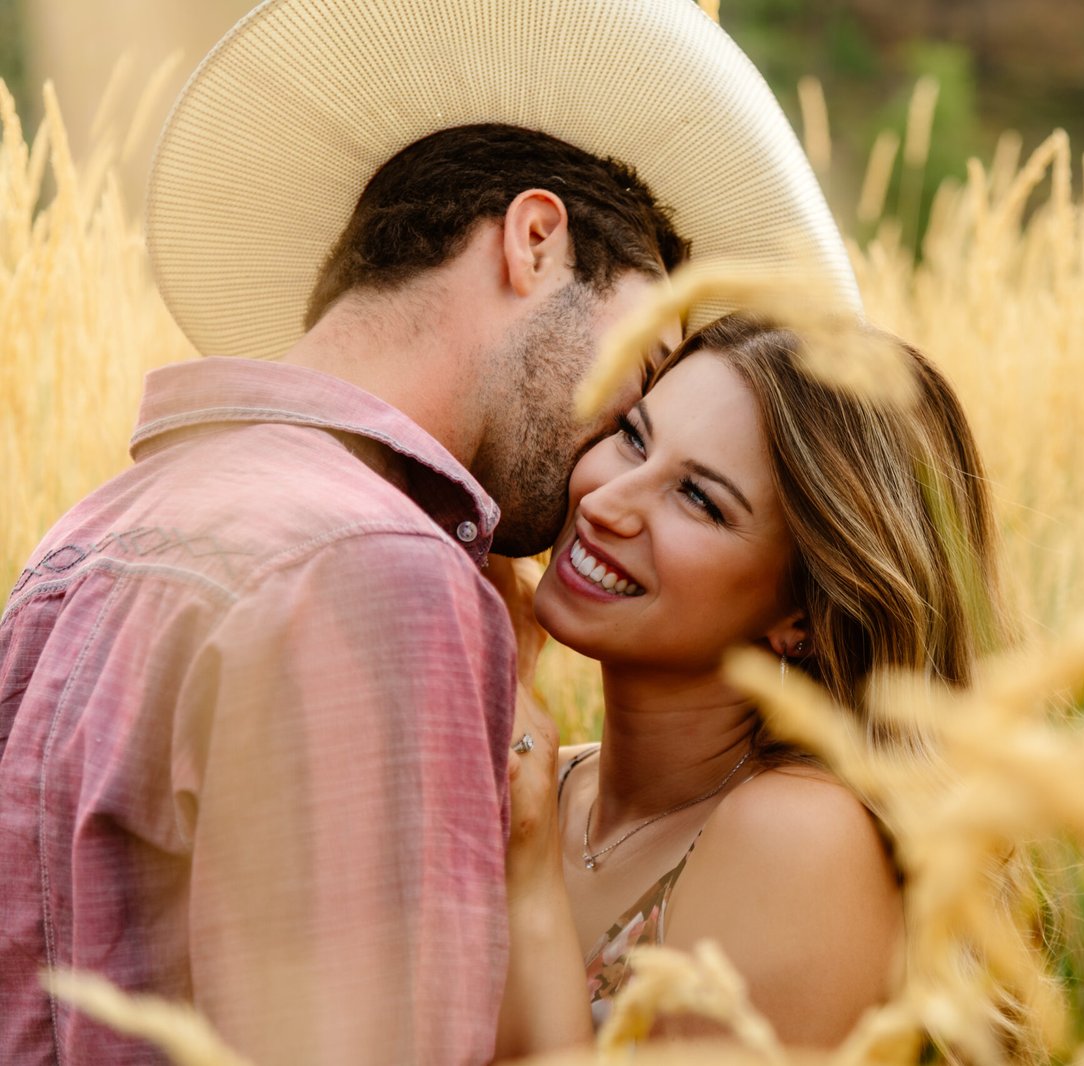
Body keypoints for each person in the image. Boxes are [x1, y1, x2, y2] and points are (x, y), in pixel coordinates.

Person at [0, 1, 857, 1063]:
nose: (603, 471)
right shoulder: (379, 570)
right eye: (637, 382)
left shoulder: (88, 537)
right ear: (536, 242)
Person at [491, 314, 1006, 1055]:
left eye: (699, 499)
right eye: (634, 436)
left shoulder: (800, 837)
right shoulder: (553, 776)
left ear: (801, 613)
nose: (605, 502)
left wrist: (527, 864)